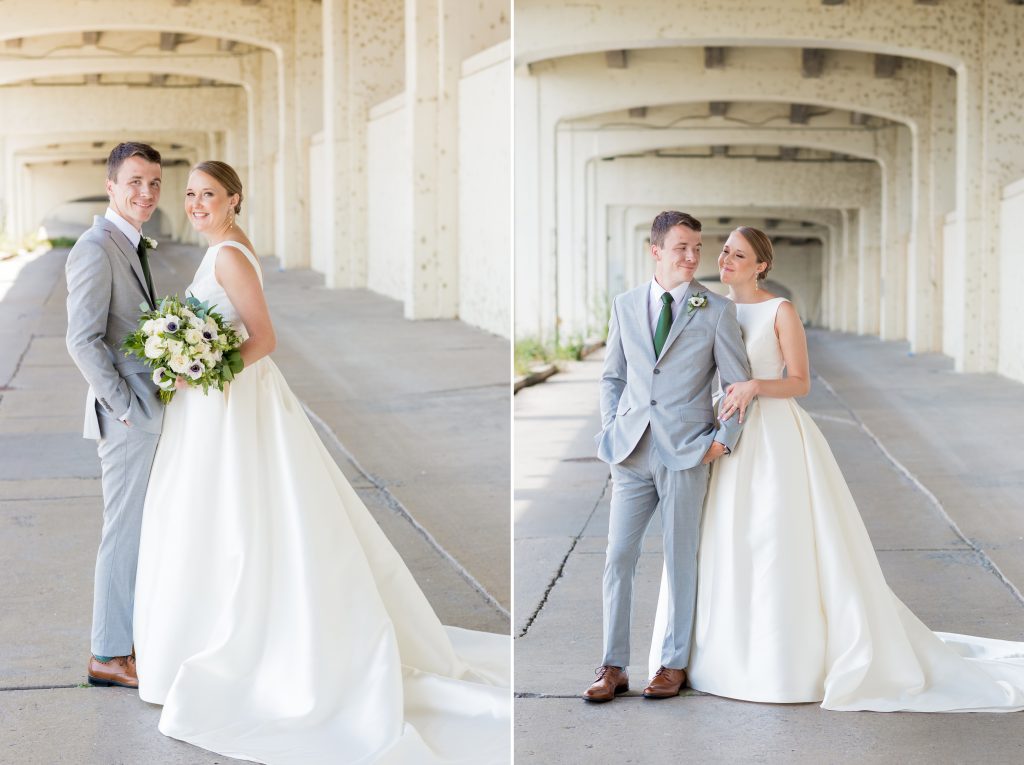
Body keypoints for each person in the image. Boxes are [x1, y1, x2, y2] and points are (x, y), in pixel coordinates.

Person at [133, 161, 510, 763]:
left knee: (236, 518)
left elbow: (263, 337)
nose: (197, 203)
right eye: (191, 195)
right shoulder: (225, 249)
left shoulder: (229, 255)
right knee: (220, 517)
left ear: (234, 199)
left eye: (209, 194)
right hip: (213, 405)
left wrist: (199, 368)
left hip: (230, 401)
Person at [649, 226, 1024, 711]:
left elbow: (800, 382)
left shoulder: (779, 310)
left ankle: (780, 659)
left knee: (772, 537)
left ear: (761, 264)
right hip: (720, 433)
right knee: (719, 538)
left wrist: (755, 387)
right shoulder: (705, 306)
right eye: (724, 251)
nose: (725, 259)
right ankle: (712, 653)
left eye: (738, 254)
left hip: (773, 435)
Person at [583, 211, 751, 703]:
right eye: (681, 247)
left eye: (697, 247)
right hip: (631, 451)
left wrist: (724, 439)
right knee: (618, 556)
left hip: (687, 452)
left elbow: (736, 383)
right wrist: (612, 427)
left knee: (680, 560)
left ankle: (672, 665)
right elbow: (612, 376)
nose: (692, 256)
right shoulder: (625, 305)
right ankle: (613, 666)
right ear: (655, 250)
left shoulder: (715, 309)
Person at [65, 142, 165, 689]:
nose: (145, 193)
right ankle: (107, 654)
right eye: (134, 182)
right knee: (122, 534)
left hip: (145, 411)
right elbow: (82, 340)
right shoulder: (95, 247)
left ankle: (127, 640)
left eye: (153, 183)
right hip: (128, 417)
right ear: (111, 186)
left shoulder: (129, 242)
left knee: (140, 531)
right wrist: (124, 407)